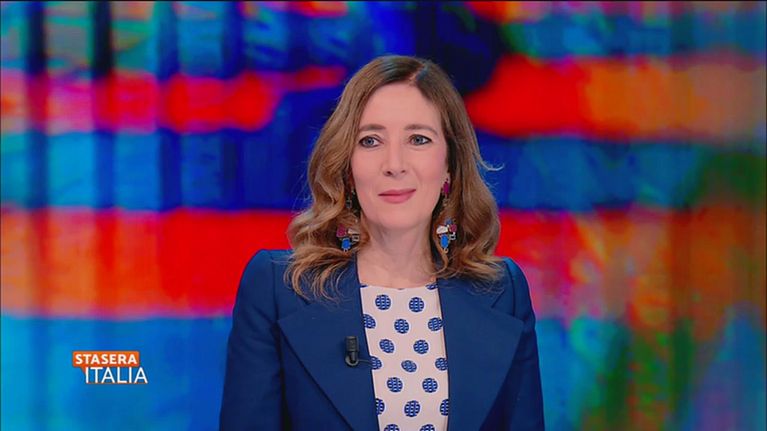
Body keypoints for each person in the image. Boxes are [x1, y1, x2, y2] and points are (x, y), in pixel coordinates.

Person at [219, 55, 544, 431]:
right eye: (370, 140)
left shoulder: (503, 291)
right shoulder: (279, 289)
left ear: (449, 167)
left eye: (418, 139)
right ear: (347, 166)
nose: (394, 163)